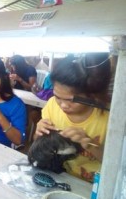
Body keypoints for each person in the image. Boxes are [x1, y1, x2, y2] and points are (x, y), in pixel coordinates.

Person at [34, 53, 111, 182]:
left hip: (95, 186)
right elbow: (38, 143)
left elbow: (118, 164)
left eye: (72, 100)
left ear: (93, 96)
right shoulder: (53, 105)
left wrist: (90, 144)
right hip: (60, 177)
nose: (63, 105)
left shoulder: (110, 118)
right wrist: (39, 133)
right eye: (58, 97)